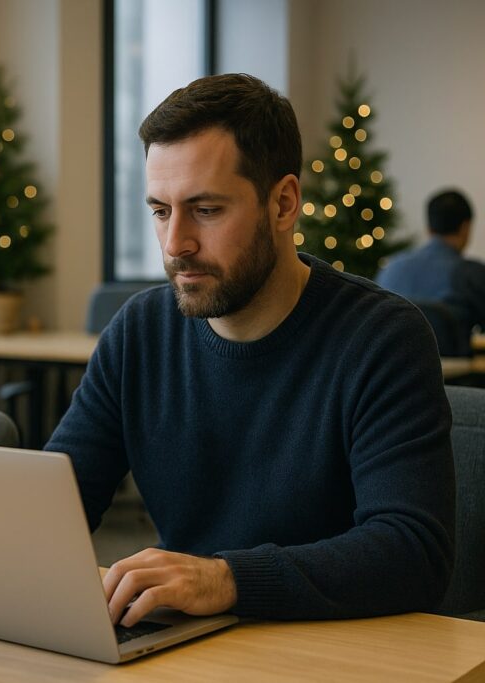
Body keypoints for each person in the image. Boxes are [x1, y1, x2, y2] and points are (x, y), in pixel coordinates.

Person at [47, 74, 454, 625]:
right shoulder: (139, 331)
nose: (175, 245)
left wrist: (226, 579)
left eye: (206, 210)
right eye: (161, 211)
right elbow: (55, 504)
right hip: (185, 640)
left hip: (330, 647)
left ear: (283, 203)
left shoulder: (382, 338)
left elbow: (413, 552)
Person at [376, 189, 485, 341]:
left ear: (428, 228)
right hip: (449, 356)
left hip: (392, 356)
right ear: (465, 227)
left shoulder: (390, 268)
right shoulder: (471, 274)